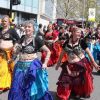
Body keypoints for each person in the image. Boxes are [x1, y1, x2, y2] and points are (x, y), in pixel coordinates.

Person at [8, 21, 53, 100]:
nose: (27, 28)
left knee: (31, 89)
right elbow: (17, 51)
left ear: (33, 29)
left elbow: (48, 51)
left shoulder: (37, 39)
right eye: (26, 27)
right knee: (16, 88)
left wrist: (45, 63)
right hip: (20, 67)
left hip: (32, 67)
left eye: (29, 27)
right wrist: (12, 58)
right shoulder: (22, 38)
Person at [55, 27, 100, 100]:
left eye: (80, 33)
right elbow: (62, 54)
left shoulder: (82, 42)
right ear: (73, 33)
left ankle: (78, 93)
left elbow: (89, 53)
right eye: (78, 32)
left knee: (79, 81)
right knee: (66, 80)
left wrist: (94, 64)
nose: (80, 34)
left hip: (80, 64)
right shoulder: (67, 42)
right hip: (69, 64)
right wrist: (58, 64)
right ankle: (65, 94)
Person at [0, 15, 20, 92]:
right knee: (2, 68)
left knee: (4, 68)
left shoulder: (12, 30)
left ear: (9, 22)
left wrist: (15, 46)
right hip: (0, 52)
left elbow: (18, 39)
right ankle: (5, 83)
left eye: (5, 21)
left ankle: (2, 86)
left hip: (8, 53)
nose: (3, 22)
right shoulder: (0, 29)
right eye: (2, 21)